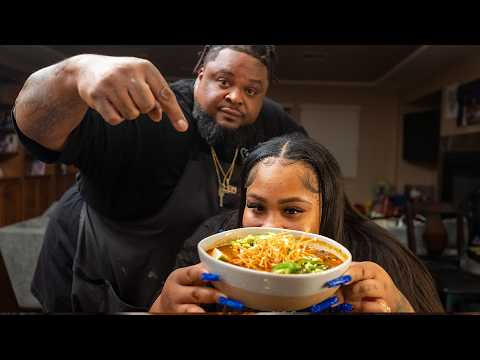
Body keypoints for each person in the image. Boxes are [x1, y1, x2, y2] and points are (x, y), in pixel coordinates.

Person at [12, 45, 307, 312]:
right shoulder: (150, 115)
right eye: (223, 81)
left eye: (252, 91)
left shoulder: (271, 122)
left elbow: (316, 177)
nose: (236, 97)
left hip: (181, 276)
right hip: (97, 276)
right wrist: (72, 74)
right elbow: (37, 133)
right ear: (200, 75)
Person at [152, 133, 444, 313]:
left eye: (292, 211)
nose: (269, 229)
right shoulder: (212, 244)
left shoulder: (379, 255)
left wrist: (400, 305)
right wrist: (162, 307)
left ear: (327, 208)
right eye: (255, 207)